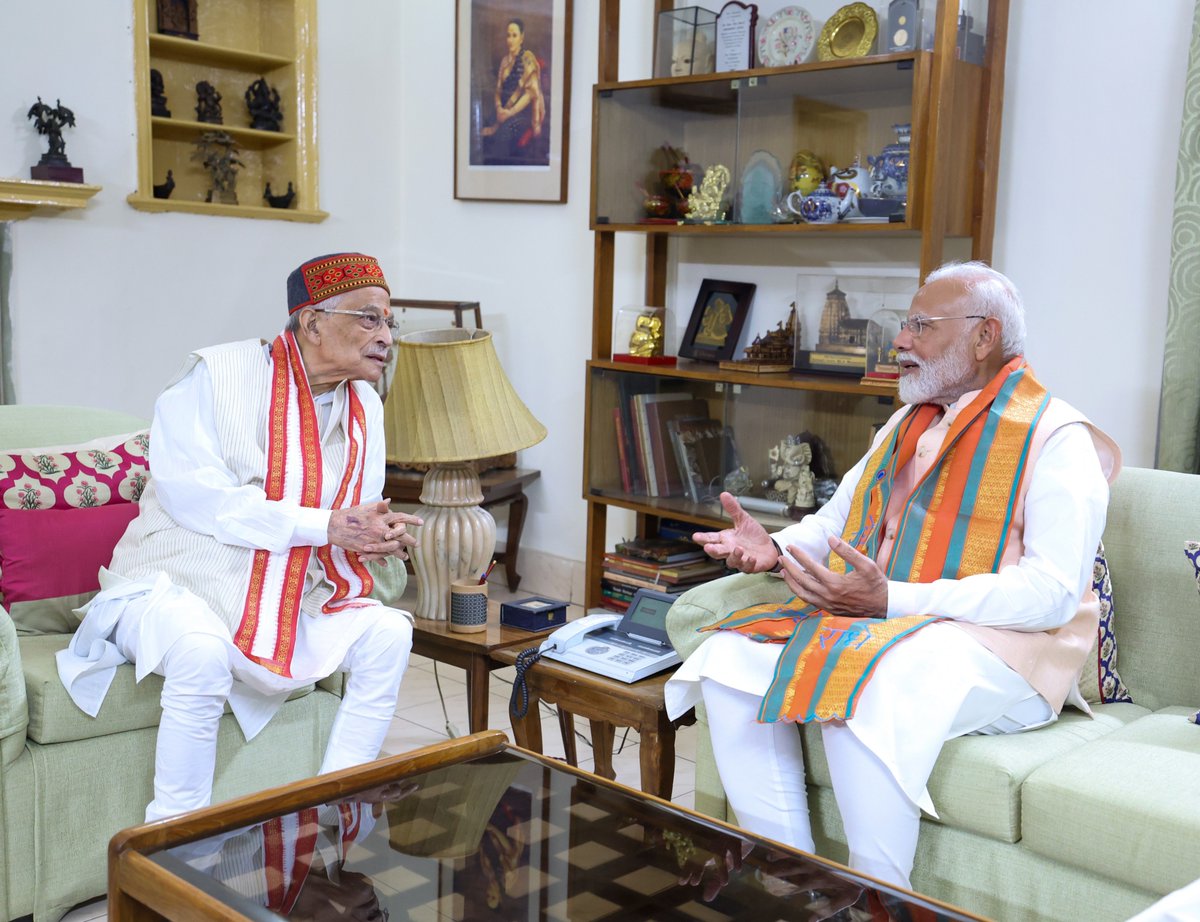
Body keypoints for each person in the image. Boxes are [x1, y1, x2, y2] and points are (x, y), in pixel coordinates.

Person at [665, 261, 1121, 890]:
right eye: (905, 325)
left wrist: (890, 600)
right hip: (892, 625)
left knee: (869, 678)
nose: (900, 342)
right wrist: (775, 548)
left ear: (984, 337)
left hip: (1010, 653)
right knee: (728, 657)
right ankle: (794, 881)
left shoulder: (1057, 437)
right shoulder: (908, 423)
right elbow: (836, 519)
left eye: (920, 326)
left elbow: (1049, 597)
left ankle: (875, 899)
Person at [57, 252, 421, 822]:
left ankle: (332, 812)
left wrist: (369, 535)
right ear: (313, 321)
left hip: (284, 592)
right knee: (201, 654)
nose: (386, 337)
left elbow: (349, 513)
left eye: (389, 323)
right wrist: (324, 525)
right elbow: (195, 497)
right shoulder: (215, 373)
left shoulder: (366, 407)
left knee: (389, 632)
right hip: (172, 582)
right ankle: (174, 842)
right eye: (369, 319)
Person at [480, 17, 547, 165]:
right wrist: (498, 108)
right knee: (484, 130)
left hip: (521, 113)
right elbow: (498, 89)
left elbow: (530, 95)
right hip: (502, 111)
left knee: (503, 137)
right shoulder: (505, 61)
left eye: (514, 35)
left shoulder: (527, 59)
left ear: (522, 37)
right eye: (508, 35)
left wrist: (508, 113)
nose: (510, 39)